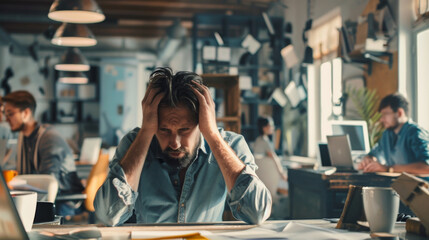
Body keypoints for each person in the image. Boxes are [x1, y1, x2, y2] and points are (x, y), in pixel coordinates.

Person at [94, 67, 272, 226]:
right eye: (164, 130)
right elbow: (109, 215)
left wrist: (212, 135)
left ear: (202, 121)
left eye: (184, 129)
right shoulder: (135, 144)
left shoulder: (232, 145)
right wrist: (147, 130)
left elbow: (257, 213)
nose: (174, 142)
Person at [2, 90, 84, 215]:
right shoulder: (23, 137)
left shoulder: (48, 138)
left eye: (10, 114)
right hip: (42, 197)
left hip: (64, 201)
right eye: (4, 114)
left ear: (26, 113)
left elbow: (48, 181)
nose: (6, 119)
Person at [358, 93, 429, 174]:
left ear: (399, 113)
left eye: (385, 114)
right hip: (396, 185)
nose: (381, 119)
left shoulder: (415, 133)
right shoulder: (387, 134)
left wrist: (388, 169)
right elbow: (374, 154)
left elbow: (427, 167)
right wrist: (368, 160)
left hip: (419, 185)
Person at [253, 116, 288, 195]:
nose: (273, 127)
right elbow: (274, 157)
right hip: (268, 178)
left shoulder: (258, 140)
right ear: (264, 128)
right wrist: (282, 173)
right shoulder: (265, 141)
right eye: (270, 125)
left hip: (260, 177)